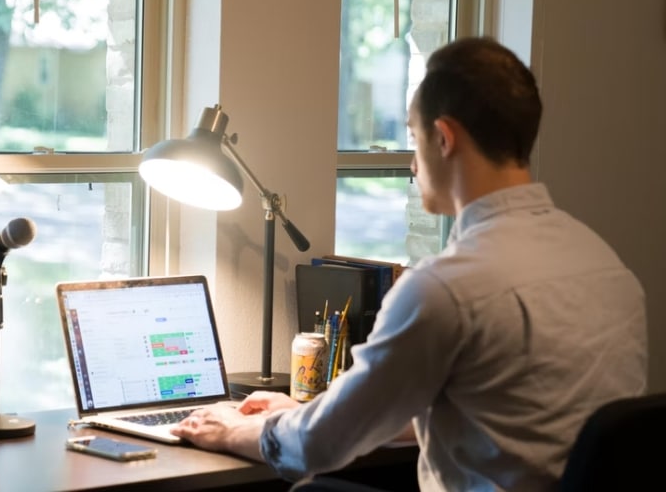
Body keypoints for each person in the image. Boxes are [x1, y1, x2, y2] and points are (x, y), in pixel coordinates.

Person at [171, 36, 648, 491]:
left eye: (414, 138)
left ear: (443, 138)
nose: (412, 165)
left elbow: (316, 446)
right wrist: (293, 412)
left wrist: (228, 428)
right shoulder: (607, 267)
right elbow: (494, 415)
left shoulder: (447, 289)